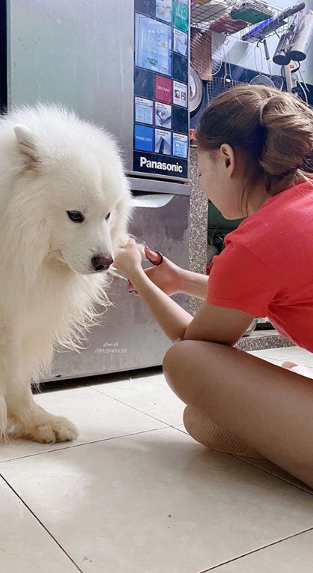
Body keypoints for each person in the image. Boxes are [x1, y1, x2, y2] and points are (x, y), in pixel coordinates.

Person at [114, 85, 313, 487]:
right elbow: (259, 287)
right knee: (205, 420)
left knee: (187, 367)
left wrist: (134, 271)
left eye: (201, 172)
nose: (203, 183)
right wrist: (179, 280)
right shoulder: (300, 205)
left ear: (226, 159)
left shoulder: (259, 241)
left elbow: (194, 344)